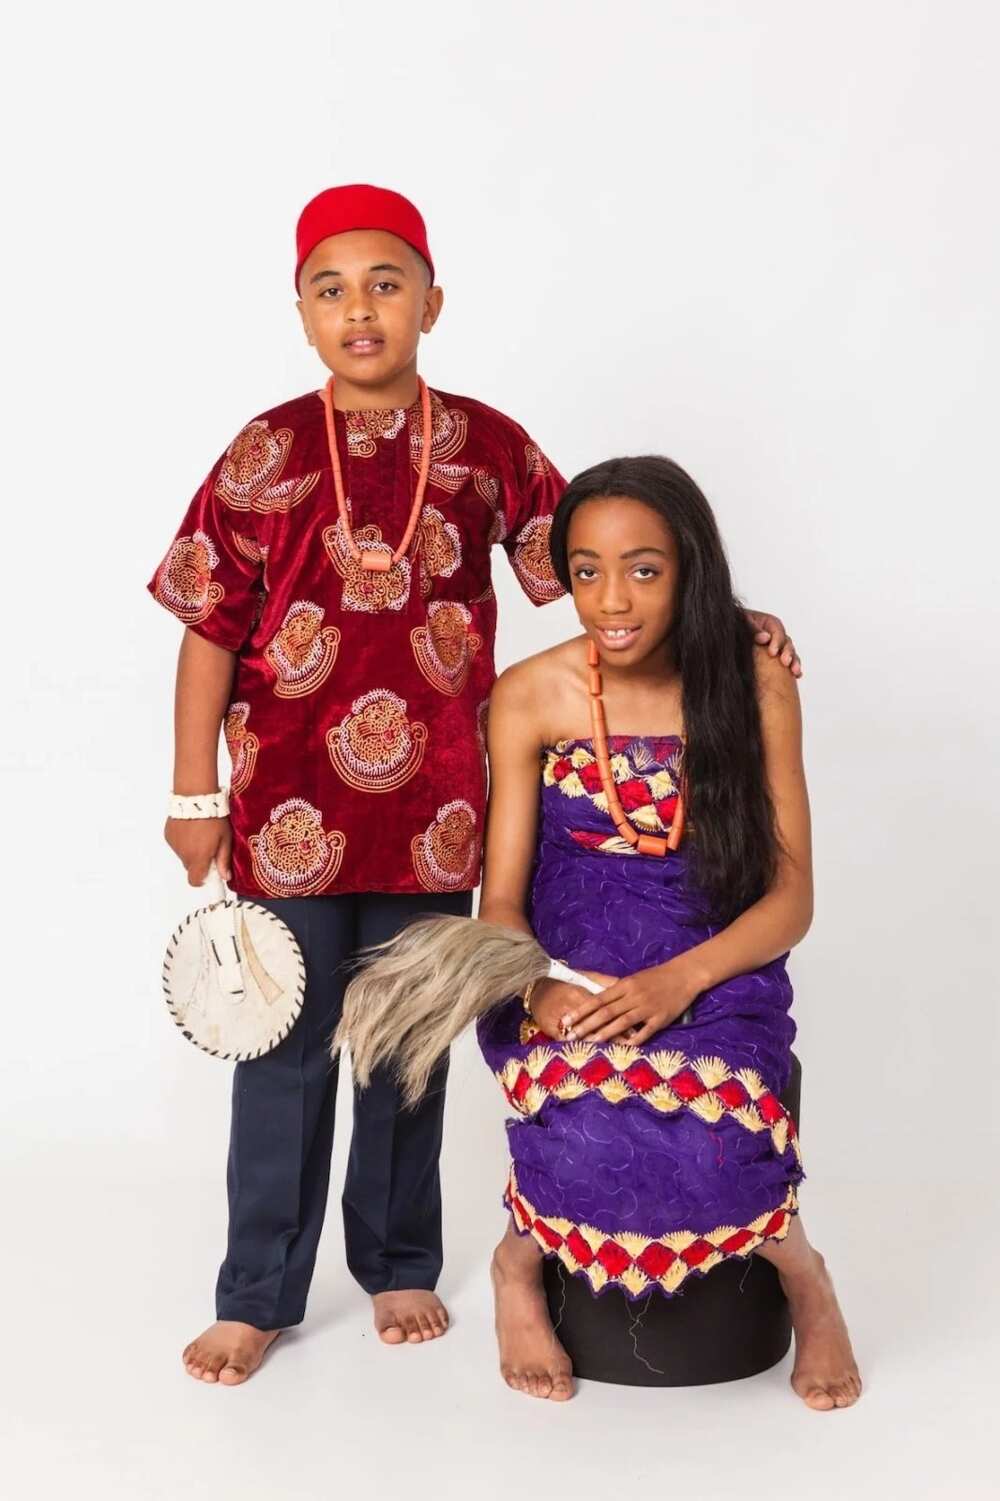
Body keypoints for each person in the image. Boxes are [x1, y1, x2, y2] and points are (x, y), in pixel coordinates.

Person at [149, 182, 801, 1386]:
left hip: (444, 818)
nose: (361, 310)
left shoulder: (489, 446)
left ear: (432, 301)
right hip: (286, 817)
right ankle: (258, 1292)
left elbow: (611, 572)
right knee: (280, 1056)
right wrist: (195, 797)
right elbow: (205, 626)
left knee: (406, 1047)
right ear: (298, 311)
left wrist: (721, 615)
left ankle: (400, 1260)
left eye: (386, 284)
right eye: (331, 288)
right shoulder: (263, 451)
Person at [473, 456, 861, 1407]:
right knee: (579, 1123)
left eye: (644, 568)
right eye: (587, 569)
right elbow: (501, 903)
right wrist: (536, 988)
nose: (613, 598)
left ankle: (804, 1276)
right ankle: (517, 1264)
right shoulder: (530, 695)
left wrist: (678, 983)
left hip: (718, 970)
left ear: (690, 568)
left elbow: (792, 897)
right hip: (566, 971)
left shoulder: (753, 682)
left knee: (713, 1143)